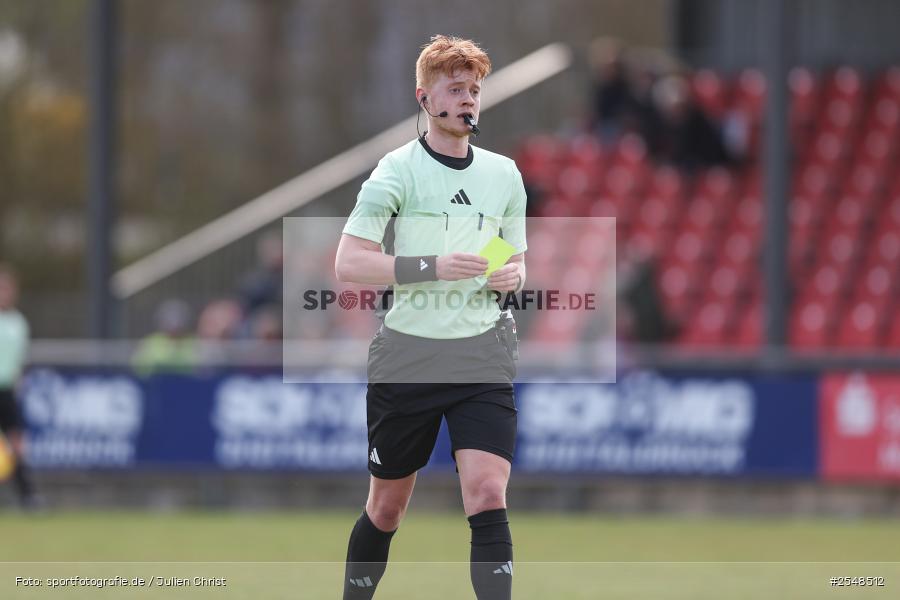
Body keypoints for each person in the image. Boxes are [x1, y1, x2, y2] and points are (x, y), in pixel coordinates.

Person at [333, 35, 527, 600]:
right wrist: (432, 266)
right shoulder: (396, 170)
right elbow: (348, 263)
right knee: (387, 508)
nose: (468, 100)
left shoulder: (504, 175)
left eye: (474, 90)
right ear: (425, 97)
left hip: (482, 351)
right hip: (408, 355)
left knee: (488, 493)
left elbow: (510, 257)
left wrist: (510, 275)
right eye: (455, 89)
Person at [0, 264, 40, 509]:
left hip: (6, 391)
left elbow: (20, 360)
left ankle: (27, 496)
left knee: (17, 444)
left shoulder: (18, 323)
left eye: (6, 289)